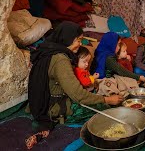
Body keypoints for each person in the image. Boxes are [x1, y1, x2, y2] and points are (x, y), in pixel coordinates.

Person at [27, 21, 123, 149]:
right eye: (78, 40)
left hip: (42, 101)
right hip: (55, 107)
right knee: (105, 109)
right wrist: (107, 99)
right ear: (68, 39)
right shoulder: (60, 60)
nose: (80, 44)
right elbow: (78, 95)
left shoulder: (49, 50)